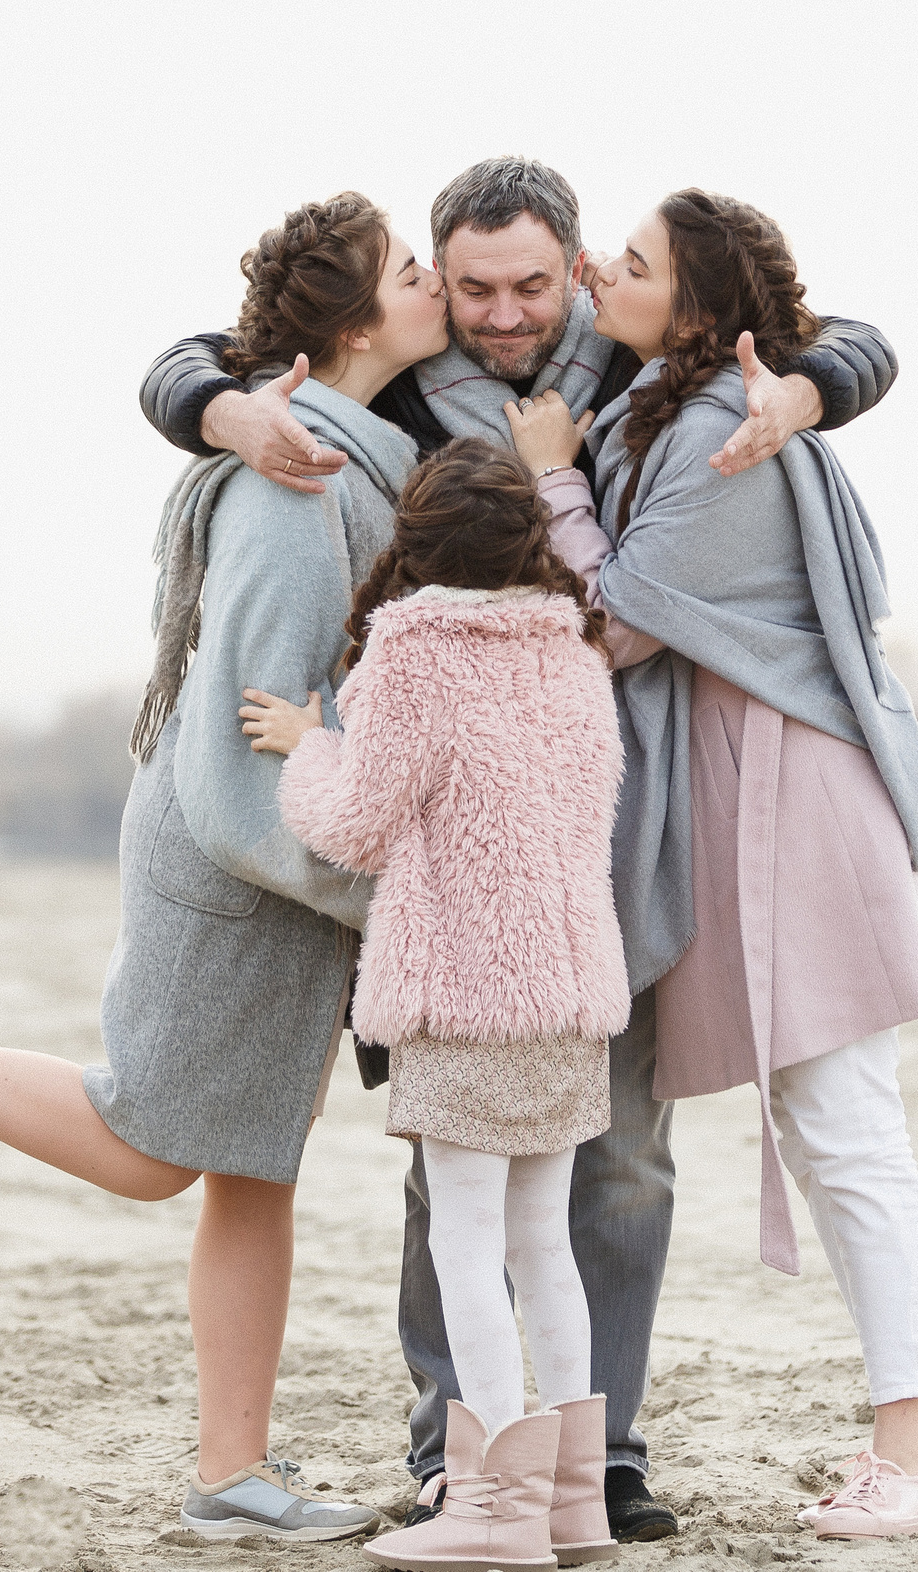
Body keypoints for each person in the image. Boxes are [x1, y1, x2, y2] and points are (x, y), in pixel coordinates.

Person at [138, 157, 902, 1540]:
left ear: (572, 277)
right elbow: (190, 358)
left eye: (529, 286)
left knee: (621, 1159)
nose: (499, 312)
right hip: (445, 847)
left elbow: (842, 335)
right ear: (438, 274)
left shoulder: (626, 353)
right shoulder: (410, 379)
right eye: (472, 285)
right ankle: (456, 1447)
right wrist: (227, 407)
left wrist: (810, 385)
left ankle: (598, 1448)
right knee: (459, 1172)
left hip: (613, 835)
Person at [0, 192, 444, 1547]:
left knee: (250, 1163)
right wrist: (377, 892)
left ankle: (234, 1471)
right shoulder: (303, 487)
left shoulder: (350, 457)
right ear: (352, 323)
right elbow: (245, 743)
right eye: (412, 270)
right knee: (145, 1146)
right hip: (241, 864)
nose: (436, 285)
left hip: (274, 861)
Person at [505, 188, 918, 1542]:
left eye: (635, 264)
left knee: (844, 1123)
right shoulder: (677, 396)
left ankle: (908, 1436)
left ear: (700, 310)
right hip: (762, 787)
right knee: (834, 1124)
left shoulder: (721, 429)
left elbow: (615, 618)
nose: (607, 270)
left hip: (797, 791)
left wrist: (548, 470)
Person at [240, 438, 633, 1571]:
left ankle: (493, 1508)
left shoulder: (409, 659)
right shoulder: (574, 660)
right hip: (565, 996)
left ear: (411, 542)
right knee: (541, 1243)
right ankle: (571, 1504)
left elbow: (353, 822)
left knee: (465, 1242)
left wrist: (310, 744)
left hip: (464, 993)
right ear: (531, 542)